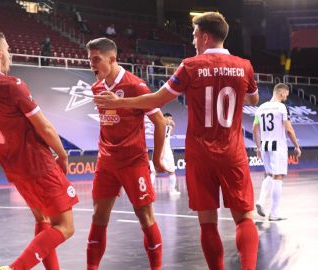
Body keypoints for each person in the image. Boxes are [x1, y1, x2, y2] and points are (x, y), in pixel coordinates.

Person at [94, 12, 260, 270]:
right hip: (233, 152)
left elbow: (157, 100)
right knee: (244, 218)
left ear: (205, 36)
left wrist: (120, 102)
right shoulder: (244, 66)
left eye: (194, 35)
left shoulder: (190, 66)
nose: (193, 41)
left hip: (200, 154)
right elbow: (253, 99)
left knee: (207, 222)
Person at [0, 30, 78, 270]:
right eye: (7, 49)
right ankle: (15, 268)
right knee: (66, 226)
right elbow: (45, 128)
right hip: (37, 163)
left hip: (13, 167)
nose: (9, 54)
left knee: (43, 220)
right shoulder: (11, 85)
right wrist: (63, 153)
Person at [86, 37, 168, 270]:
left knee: (145, 217)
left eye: (96, 59)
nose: (91, 64)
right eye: (89, 59)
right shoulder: (97, 87)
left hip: (133, 162)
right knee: (98, 216)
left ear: (112, 59)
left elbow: (160, 122)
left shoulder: (135, 86)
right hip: (106, 162)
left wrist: (156, 158)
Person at [253, 83, 301, 221]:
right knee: (278, 177)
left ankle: (261, 201)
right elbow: (289, 129)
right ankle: (274, 213)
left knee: (270, 175)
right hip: (278, 146)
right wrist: (296, 146)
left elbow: (255, 129)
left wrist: (258, 147)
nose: (286, 96)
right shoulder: (282, 107)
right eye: (286, 94)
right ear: (281, 93)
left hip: (265, 146)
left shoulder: (261, 108)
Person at [162, 113, 180, 195]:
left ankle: (172, 190)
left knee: (155, 171)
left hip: (164, 149)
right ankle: (172, 191)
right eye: (169, 118)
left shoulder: (168, 126)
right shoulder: (161, 125)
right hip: (164, 150)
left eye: (171, 118)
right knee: (172, 171)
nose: (170, 120)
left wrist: (173, 126)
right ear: (164, 118)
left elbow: (170, 134)